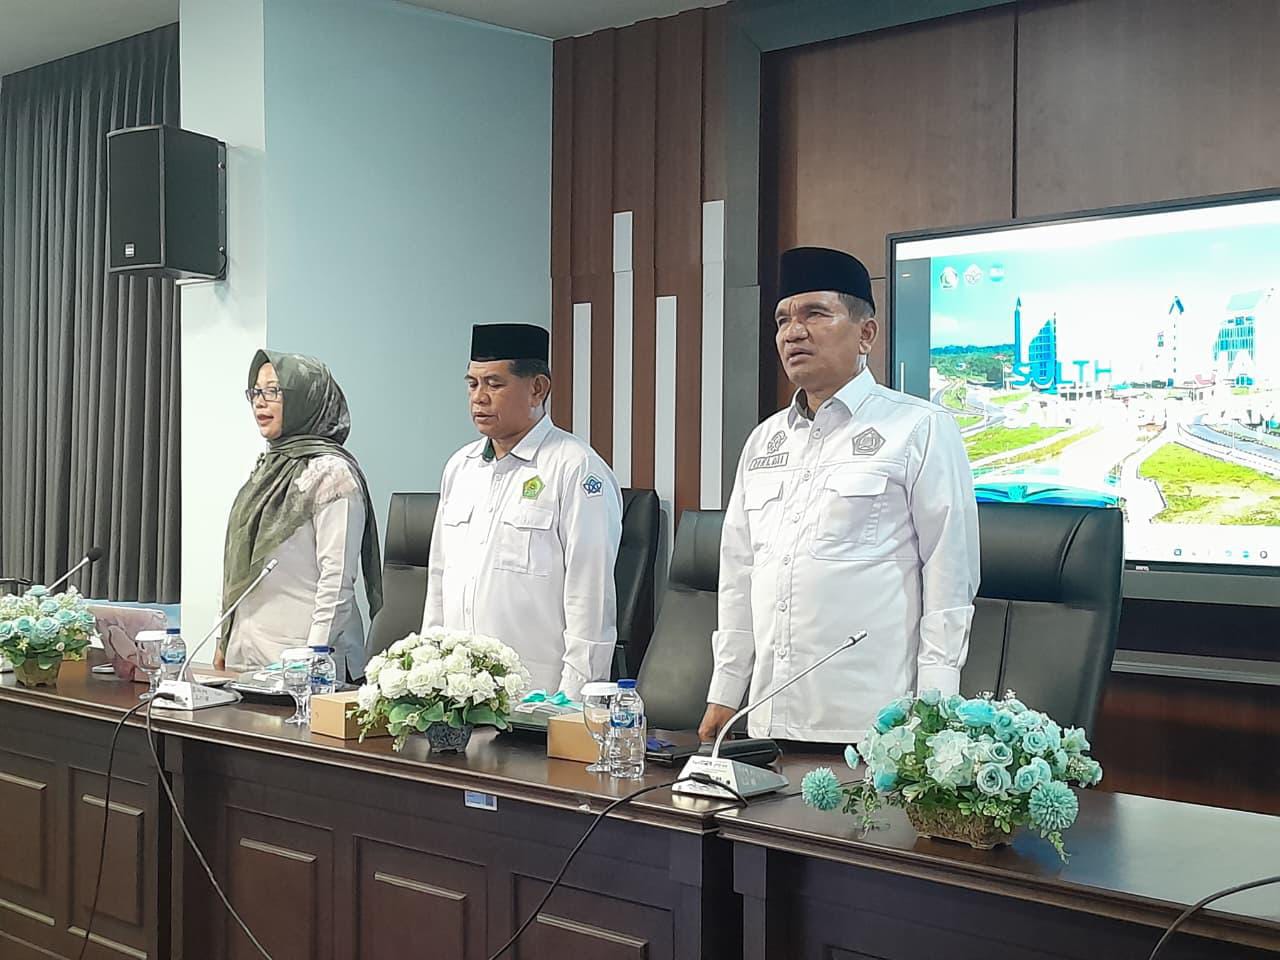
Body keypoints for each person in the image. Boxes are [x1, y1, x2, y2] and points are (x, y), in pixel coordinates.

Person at [699, 246, 980, 744]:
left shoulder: (919, 428)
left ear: (866, 333)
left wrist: (936, 709)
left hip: (872, 727)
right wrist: (725, 690)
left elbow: (949, 575)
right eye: (783, 319)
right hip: (765, 719)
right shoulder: (764, 441)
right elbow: (739, 573)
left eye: (815, 314)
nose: (793, 332)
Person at [422, 323, 622, 699]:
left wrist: (573, 701)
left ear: (537, 389)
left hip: (537, 695)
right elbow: (439, 581)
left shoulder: (575, 467)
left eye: (494, 384)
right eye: (472, 384)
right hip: (459, 693)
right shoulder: (460, 467)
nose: (479, 398)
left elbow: (590, 596)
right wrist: (430, 673)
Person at [215, 351, 383, 681]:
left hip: (308, 668)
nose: (260, 402)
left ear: (306, 398)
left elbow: (336, 582)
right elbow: (237, 567)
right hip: (247, 658)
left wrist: (310, 660)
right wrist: (224, 639)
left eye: (273, 391)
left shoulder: (331, 474)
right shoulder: (267, 471)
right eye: (256, 391)